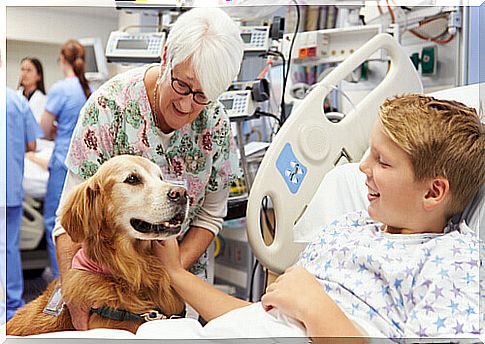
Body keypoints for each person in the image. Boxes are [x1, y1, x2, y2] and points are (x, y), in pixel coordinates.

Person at [155, 94, 484, 339]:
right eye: (369, 153)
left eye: (382, 162)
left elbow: (299, 312)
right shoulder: (348, 228)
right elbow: (263, 318)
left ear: (433, 192)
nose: (363, 168)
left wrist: (314, 307)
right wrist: (174, 272)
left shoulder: (451, 259)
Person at [52, 7, 244, 330]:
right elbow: (70, 219)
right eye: (182, 86)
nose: (186, 106)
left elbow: (211, 216)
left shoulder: (217, 127)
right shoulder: (107, 109)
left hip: (179, 291)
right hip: (106, 292)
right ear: (166, 55)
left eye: (201, 97)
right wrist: (75, 299)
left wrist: (169, 275)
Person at [41, 39, 92, 279]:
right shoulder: (87, 89)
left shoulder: (61, 89)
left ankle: (61, 283)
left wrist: (55, 132)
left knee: (58, 224)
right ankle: (79, 279)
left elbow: (44, 127)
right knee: (80, 226)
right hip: (84, 164)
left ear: (63, 59)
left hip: (62, 162)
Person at [5, 87, 41, 320]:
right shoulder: (17, 101)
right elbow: (32, 145)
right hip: (9, 186)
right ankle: (11, 305)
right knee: (7, 247)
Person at [17, 57, 47, 124]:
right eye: (22, 69)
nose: (24, 74)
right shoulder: (14, 97)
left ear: (38, 76)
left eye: (29, 70)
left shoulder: (44, 100)